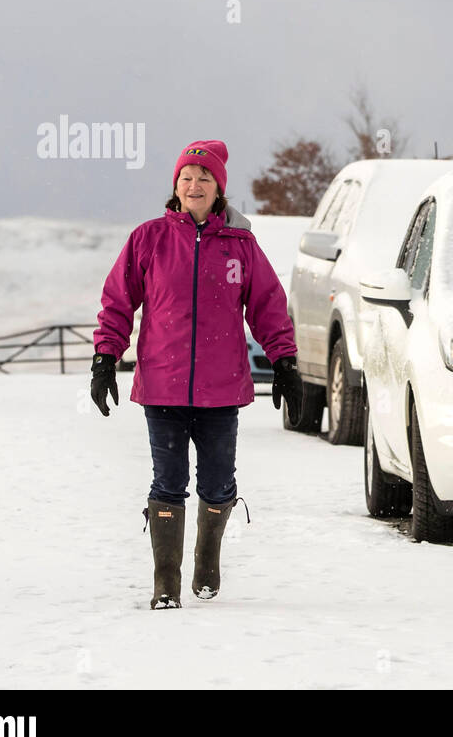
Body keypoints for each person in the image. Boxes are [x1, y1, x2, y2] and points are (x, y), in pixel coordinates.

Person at [90, 140, 302, 609]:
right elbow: (118, 301)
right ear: (176, 186)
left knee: (217, 483)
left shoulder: (241, 246)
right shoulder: (149, 239)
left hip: (221, 389)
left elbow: (268, 306)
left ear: (218, 189)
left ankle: (207, 559)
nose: (194, 185)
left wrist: (284, 361)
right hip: (162, 385)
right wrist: (106, 357)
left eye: (204, 178)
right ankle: (166, 582)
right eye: (187, 177)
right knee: (167, 483)